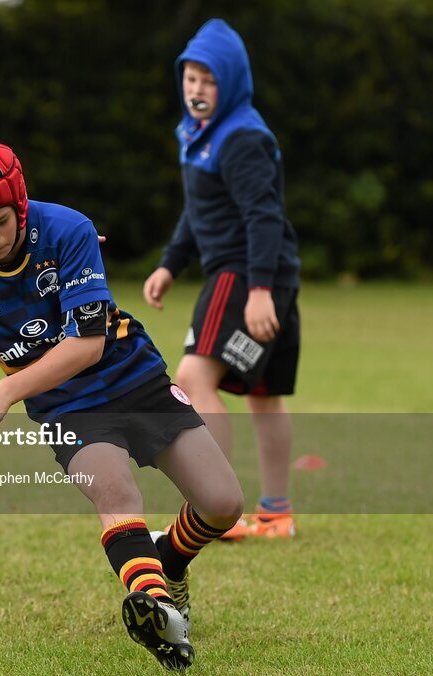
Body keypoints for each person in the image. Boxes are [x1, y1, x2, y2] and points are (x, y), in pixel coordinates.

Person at [0, 134, 243, 670]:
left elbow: (87, 345)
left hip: (134, 378)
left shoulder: (68, 230)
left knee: (223, 504)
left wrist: (7, 390)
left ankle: (169, 563)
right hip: (67, 408)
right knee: (114, 493)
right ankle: (158, 612)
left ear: (19, 204)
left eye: (0, 221)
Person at [142, 19, 302, 540]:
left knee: (192, 380)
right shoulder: (200, 135)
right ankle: (275, 514)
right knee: (264, 394)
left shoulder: (241, 138)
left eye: (208, 80)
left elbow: (263, 216)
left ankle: (216, 510)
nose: (196, 89)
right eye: (189, 78)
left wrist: (258, 290)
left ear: (230, 83)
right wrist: (170, 263)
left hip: (244, 275)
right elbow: (200, 209)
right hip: (264, 275)